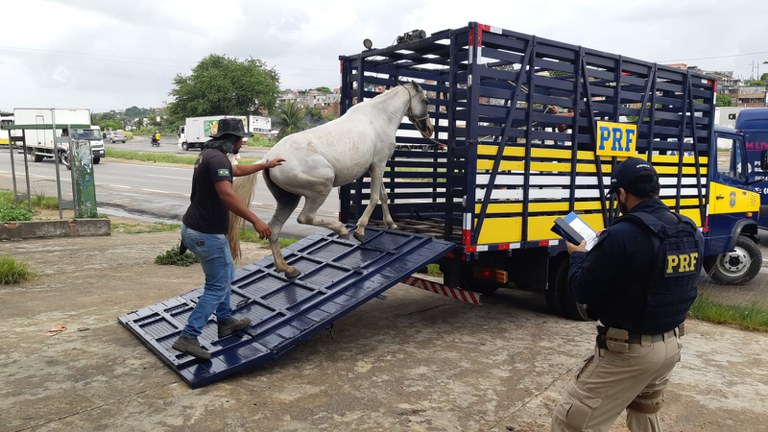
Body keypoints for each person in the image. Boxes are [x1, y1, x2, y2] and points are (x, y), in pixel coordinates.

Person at [551, 157, 704, 432]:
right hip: (670, 344)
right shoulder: (688, 229)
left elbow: (582, 290)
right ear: (656, 190)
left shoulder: (622, 236)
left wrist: (578, 256)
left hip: (630, 352)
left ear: (622, 194)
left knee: (570, 422)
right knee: (644, 413)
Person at [172, 118, 285, 360]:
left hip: (196, 230)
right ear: (230, 140)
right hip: (206, 235)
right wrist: (256, 220)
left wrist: (265, 165)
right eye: (240, 139)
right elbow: (226, 194)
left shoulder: (210, 156)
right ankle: (188, 336)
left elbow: (236, 171)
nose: (242, 143)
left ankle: (225, 321)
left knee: (224, 277)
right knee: (216, 286)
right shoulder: (217, 159)